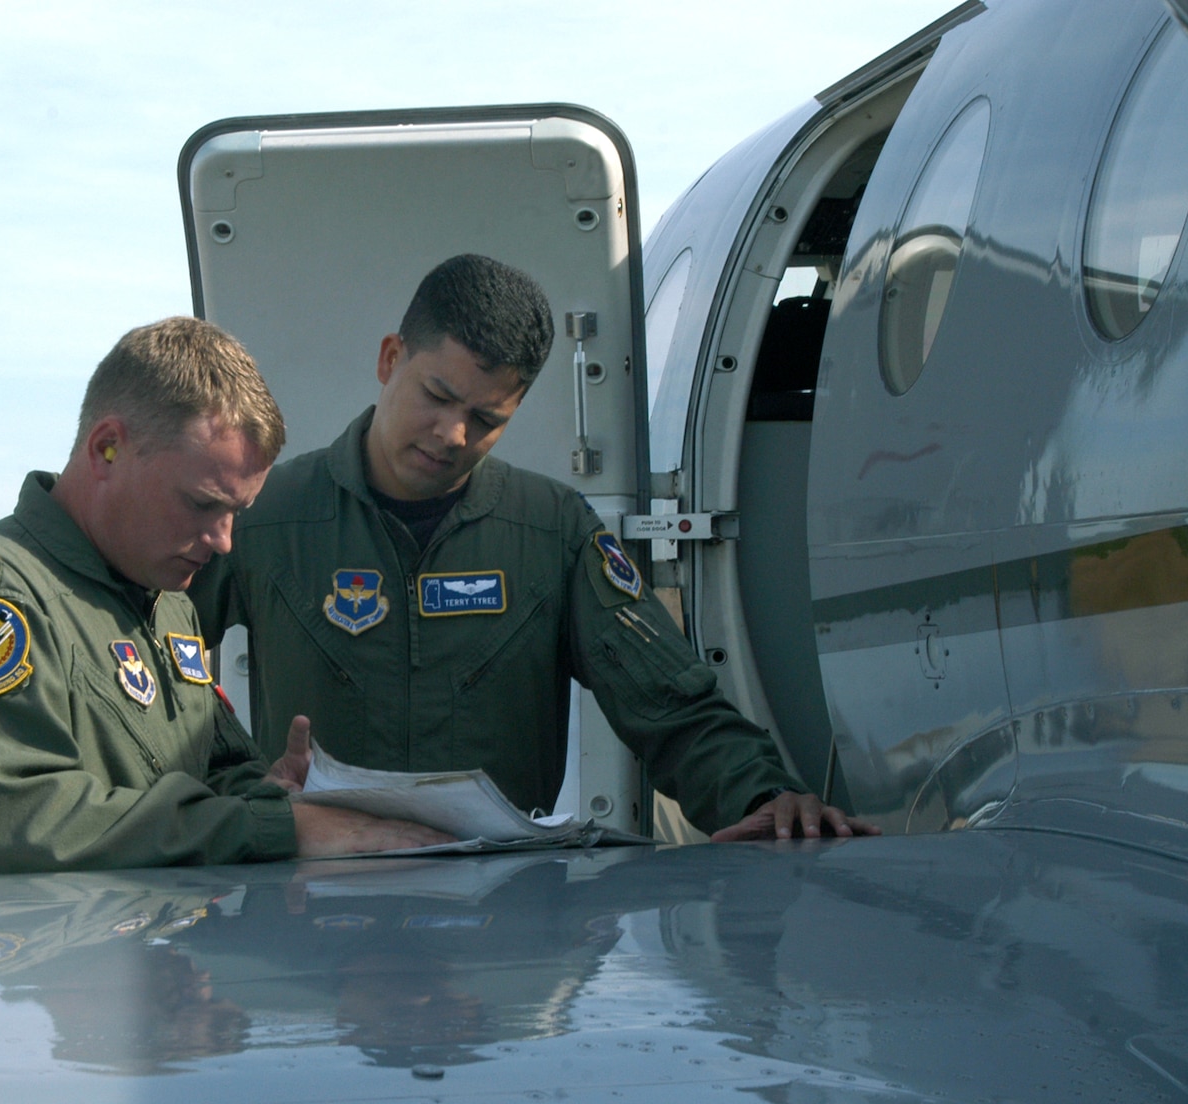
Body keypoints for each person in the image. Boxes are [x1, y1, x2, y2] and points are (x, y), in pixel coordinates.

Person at [188, 255, 877, 842]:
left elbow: (672, 706)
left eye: (487, 418)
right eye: (438, 396)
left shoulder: (552, 533)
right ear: (390, 358)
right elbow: (151, 667)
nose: (453, 435)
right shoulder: (264, 515)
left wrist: (764, 798)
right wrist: (245, 784)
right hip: (317, 906)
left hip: (501, 917)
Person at [0, 316, 448, 877]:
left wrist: (267, 794)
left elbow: (210, 765)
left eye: (234, 513)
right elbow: (25, 827)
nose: (223, 541)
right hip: (41, 963)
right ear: (107, 449)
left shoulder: (164, 593)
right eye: (203, 504)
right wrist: (278, 829)